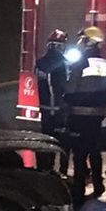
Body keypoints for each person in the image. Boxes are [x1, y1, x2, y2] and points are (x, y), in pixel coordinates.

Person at [64, 28, 106, 200]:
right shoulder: (105, 63)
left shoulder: (81, 62)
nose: (80, 43)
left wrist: (65, 104)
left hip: (80, 114)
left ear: (89, 42)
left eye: (82, 40)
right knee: (94, 149)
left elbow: (71, 89)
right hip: (97, 115)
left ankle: (79, 188)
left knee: (79, 152)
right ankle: (98, 184)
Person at [35, 29, 71, 171]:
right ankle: (62, 170)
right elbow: (65, 86)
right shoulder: (63, 63)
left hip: (45, 108)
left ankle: (45, 168)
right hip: (59, 109)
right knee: (63, 141)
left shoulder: (40, 62)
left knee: (46, 139)